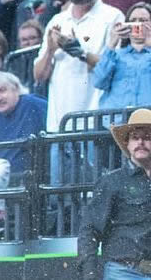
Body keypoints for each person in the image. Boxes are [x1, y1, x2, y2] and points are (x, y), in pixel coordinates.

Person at [34, 0, 123, 134]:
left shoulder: (112, 16)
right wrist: (51, 50)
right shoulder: (57, 21)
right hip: (58, 124)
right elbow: (39, 76)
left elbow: (112, 69)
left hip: (94, 123)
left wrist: (80, 53)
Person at [76, 108, 151, 280]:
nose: (140, 141)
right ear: (127, 143)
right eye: (135, 137)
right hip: (124, 271)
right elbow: (89, 230)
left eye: (148, 137)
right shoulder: (111, 181)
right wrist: (90, 273)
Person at [94, 2, 151, 110]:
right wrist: (111, 44)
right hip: (117, 121)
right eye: (133, 21)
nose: (137, 24)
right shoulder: (116, 55)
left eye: (143, 20)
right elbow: (99, 82)